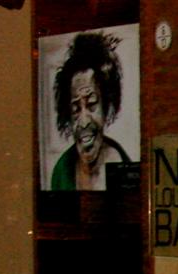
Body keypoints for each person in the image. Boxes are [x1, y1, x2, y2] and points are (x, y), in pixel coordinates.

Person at [50, 31, 131, 191]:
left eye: (92, 104)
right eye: (75, 109)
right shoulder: (61, 171)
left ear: (106, 106)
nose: (84, 121)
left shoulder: (123, 167)